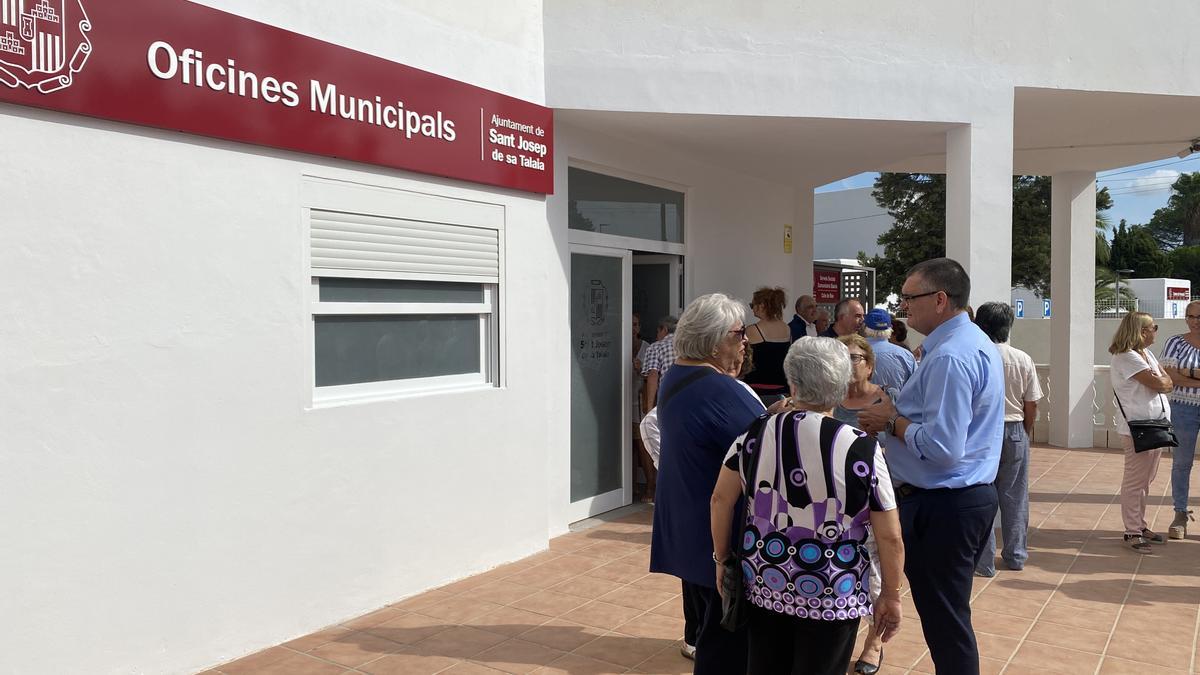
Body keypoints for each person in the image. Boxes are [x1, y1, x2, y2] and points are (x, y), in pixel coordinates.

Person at [711, 337, 905, 675]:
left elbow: (720, 499)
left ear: (792, 383)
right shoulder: (860, 448)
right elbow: (889, 536)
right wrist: (891, 593)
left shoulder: (754, 434)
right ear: (843, 384)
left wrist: (722, 558)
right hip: (834, 593)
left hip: (765, 581)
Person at [858, 257, 1003, 675]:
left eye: (909, 298)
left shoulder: (951, 357)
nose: (903, 308)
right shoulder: (966, 344)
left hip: (945, 502)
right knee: (947, 616)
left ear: (940, 299)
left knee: (946, 622)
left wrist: (891, 421)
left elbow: (943, 447)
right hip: (954, 498)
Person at [650, 293, 765, 673]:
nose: (746, 340)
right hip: (719, 534)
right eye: (739, 333)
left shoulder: (678, 375)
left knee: (711, 632)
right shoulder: (718, 389)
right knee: (727, 644)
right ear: (715, 341)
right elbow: (764, 449)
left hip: (691, 527)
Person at [831, 334, 897, 675]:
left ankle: (874, 642)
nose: (848, 361)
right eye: (842, 356)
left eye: (854, 357)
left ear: (869, 364)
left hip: (874, 500)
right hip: (836, 504)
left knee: (874, 572)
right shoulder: (830, 400)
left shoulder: (885, 400)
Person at [972, 302, 1042, 576]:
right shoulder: (1021, 358)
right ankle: (1015, 555)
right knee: (1015, 496)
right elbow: (1031, 403)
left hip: (982, 431)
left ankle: (984, 561)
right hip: (1014, 429)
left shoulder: (977, 355)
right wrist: (1025, 431)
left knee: (982, 495)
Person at [1109, 311, 1173, 553]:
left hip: (1154, 424)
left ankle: (1140, 525)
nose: (1156, 331)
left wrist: (1164, 379)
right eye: (1153, 327)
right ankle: (1132, 530)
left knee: (1146, 480)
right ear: (1142, 331)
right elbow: (1161, 383)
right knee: (1135, 481)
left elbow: (1166, 380)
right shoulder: (1127, 357)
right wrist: (1163, 380)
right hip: (1139, 427)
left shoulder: (1145, 354)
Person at [1159, 300, 1200, 539]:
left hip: (1184, 403)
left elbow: (1179, 373)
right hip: (1182, 409)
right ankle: (1180, 514)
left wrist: (1188, 373)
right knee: (1182, 463)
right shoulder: (1174, 342)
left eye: (1199, 317)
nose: (1195, 321)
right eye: (1191, 316)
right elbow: (1169, 376)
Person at [744, 287, 793, 403]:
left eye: (752, 305)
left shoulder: (753, 330)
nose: (752, 309)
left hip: (757, 388)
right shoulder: (786, 328)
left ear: (761, 306)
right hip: (782, 388)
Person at [861, 308, 916, 392]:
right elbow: (916, 389)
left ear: (865, 327)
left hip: (859, 404)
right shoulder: (906, 356)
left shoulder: (851, 352)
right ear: (890, 327)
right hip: (896, 404)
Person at [631, 313, 655, 502]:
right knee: (628, 446)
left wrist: (640, 369)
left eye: (636, 324)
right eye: (630, 324)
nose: (633, 328)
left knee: (642, 446)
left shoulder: (647, 348)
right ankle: (629, 488)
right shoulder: (620, 344)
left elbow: (651, 377)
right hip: (621, 402)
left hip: (639, 402)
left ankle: (650, 486)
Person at [641, 315, 678, 413]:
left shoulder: (656, 347)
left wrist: (649, 409)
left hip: (667, 399)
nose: (656, 336)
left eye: (657, 332)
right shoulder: (687, 346)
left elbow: (653, 375)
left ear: (664, 329)